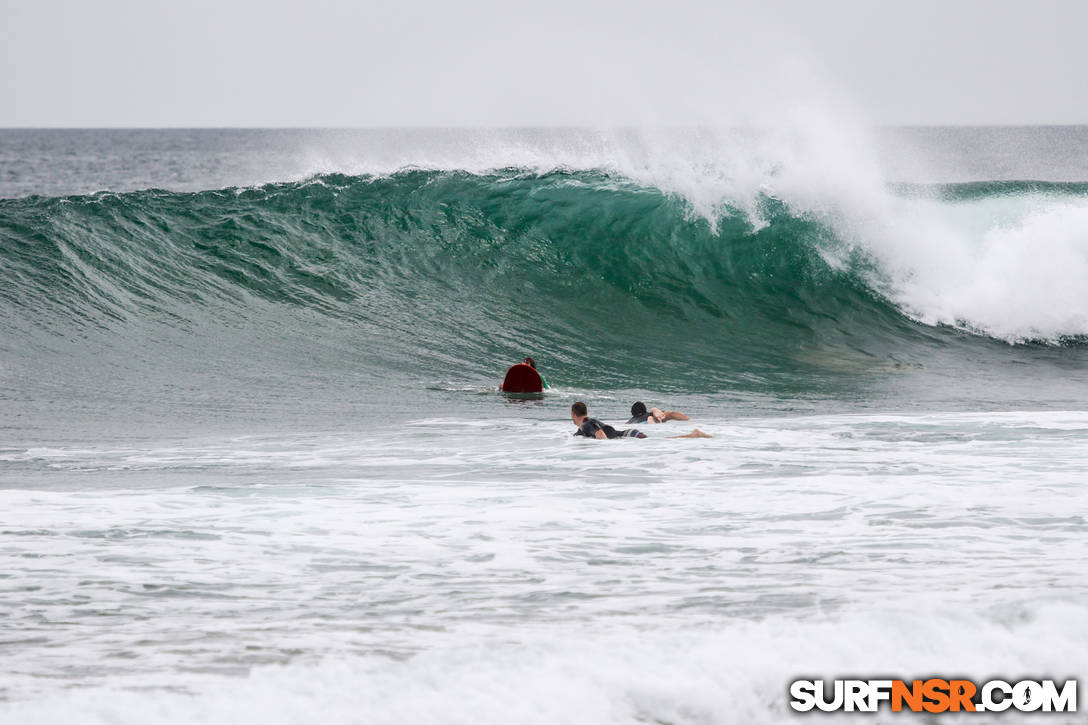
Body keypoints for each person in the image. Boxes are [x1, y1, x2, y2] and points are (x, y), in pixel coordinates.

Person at [571, 402, 711, 439]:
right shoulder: (582, 428)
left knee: (665, 440)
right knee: (664, 439)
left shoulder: (587, 423)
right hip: (631, 434)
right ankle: (693, 434)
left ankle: (694, 435)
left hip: (630, 435)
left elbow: (600, 434)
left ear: (573, 414)